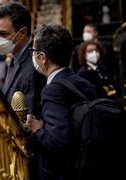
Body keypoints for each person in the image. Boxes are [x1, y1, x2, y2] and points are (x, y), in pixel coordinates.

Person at [26, 25, 96, 180]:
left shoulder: (52, 90)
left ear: (42, 58)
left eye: (34, 52)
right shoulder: (83, 82)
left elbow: (58, 142)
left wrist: (37, 129)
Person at [0, 2, 46, 118]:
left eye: (3, 34)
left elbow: (30, 119)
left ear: (22, 33)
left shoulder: (34, 67)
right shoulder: (14, 57)